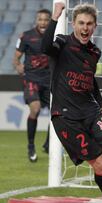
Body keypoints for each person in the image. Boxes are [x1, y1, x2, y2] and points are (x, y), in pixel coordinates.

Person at [41, 3, 102, 203]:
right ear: (73, 24)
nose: (85, 28)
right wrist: (55, 17)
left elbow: (91, 81)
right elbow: (44, 47)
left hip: (91, 111)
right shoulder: (61, 44)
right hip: (66, 117)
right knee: (100, 165)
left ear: (95, 26)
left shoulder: (94, 52)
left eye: (89, 24)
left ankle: (98, 144)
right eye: (81, 23)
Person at [13, 9, 52, 162]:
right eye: (40, 19)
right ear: (36, 20)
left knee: (56, 114)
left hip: (49, 80)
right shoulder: (26, 36)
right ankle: (31, 146)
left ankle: (49, 144)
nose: (43, 22)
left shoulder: (55, 37)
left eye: (46, 20)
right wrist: (18, 67)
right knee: (35, 109)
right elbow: (16, 58)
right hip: (32, 79)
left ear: (50, 21)